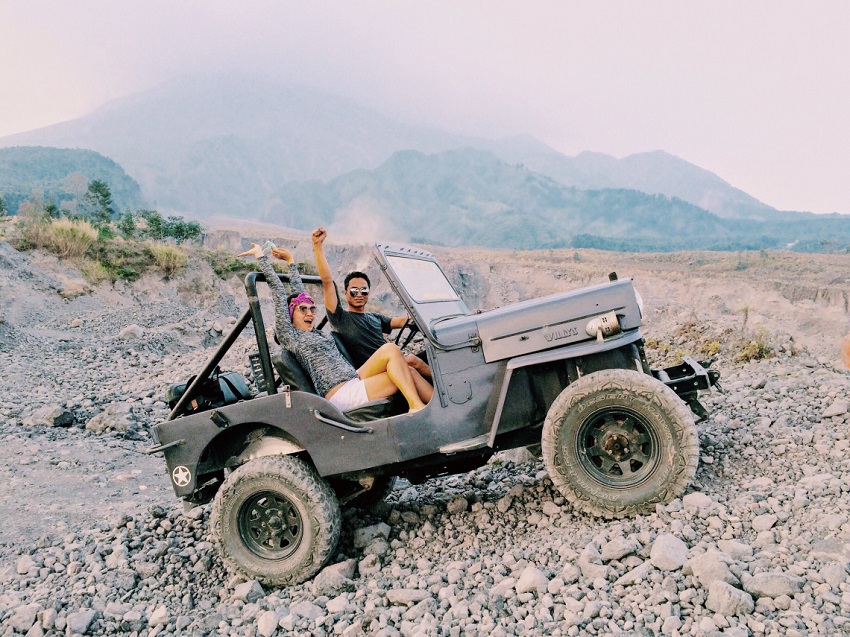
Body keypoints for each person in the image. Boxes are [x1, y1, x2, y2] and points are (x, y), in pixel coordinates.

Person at [238, 242, 428, 414]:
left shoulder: (314, 332)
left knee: (394, 353)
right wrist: (261, 257)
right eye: (302, 309)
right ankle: (415, 406)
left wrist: (291, 262)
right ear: (290, 315)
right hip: (340, 394)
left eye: (312, 309)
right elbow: (279, 293)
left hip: (353, 378)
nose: (309, 313)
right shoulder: (291, 336)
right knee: (403, 374)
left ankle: (436, 409)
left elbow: (298, 294)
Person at [311, 227, 432, 384]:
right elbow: (327, 282)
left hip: (391, 362)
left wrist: (421, 314)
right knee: (412, 361)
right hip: (372, 371)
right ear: (346, 293)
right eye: (354, 290)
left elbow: (402, 321)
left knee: (430, 354)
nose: (359, 294)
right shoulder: (340, 318)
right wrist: (318, 246)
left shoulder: (375, 317)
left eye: (364, 290)